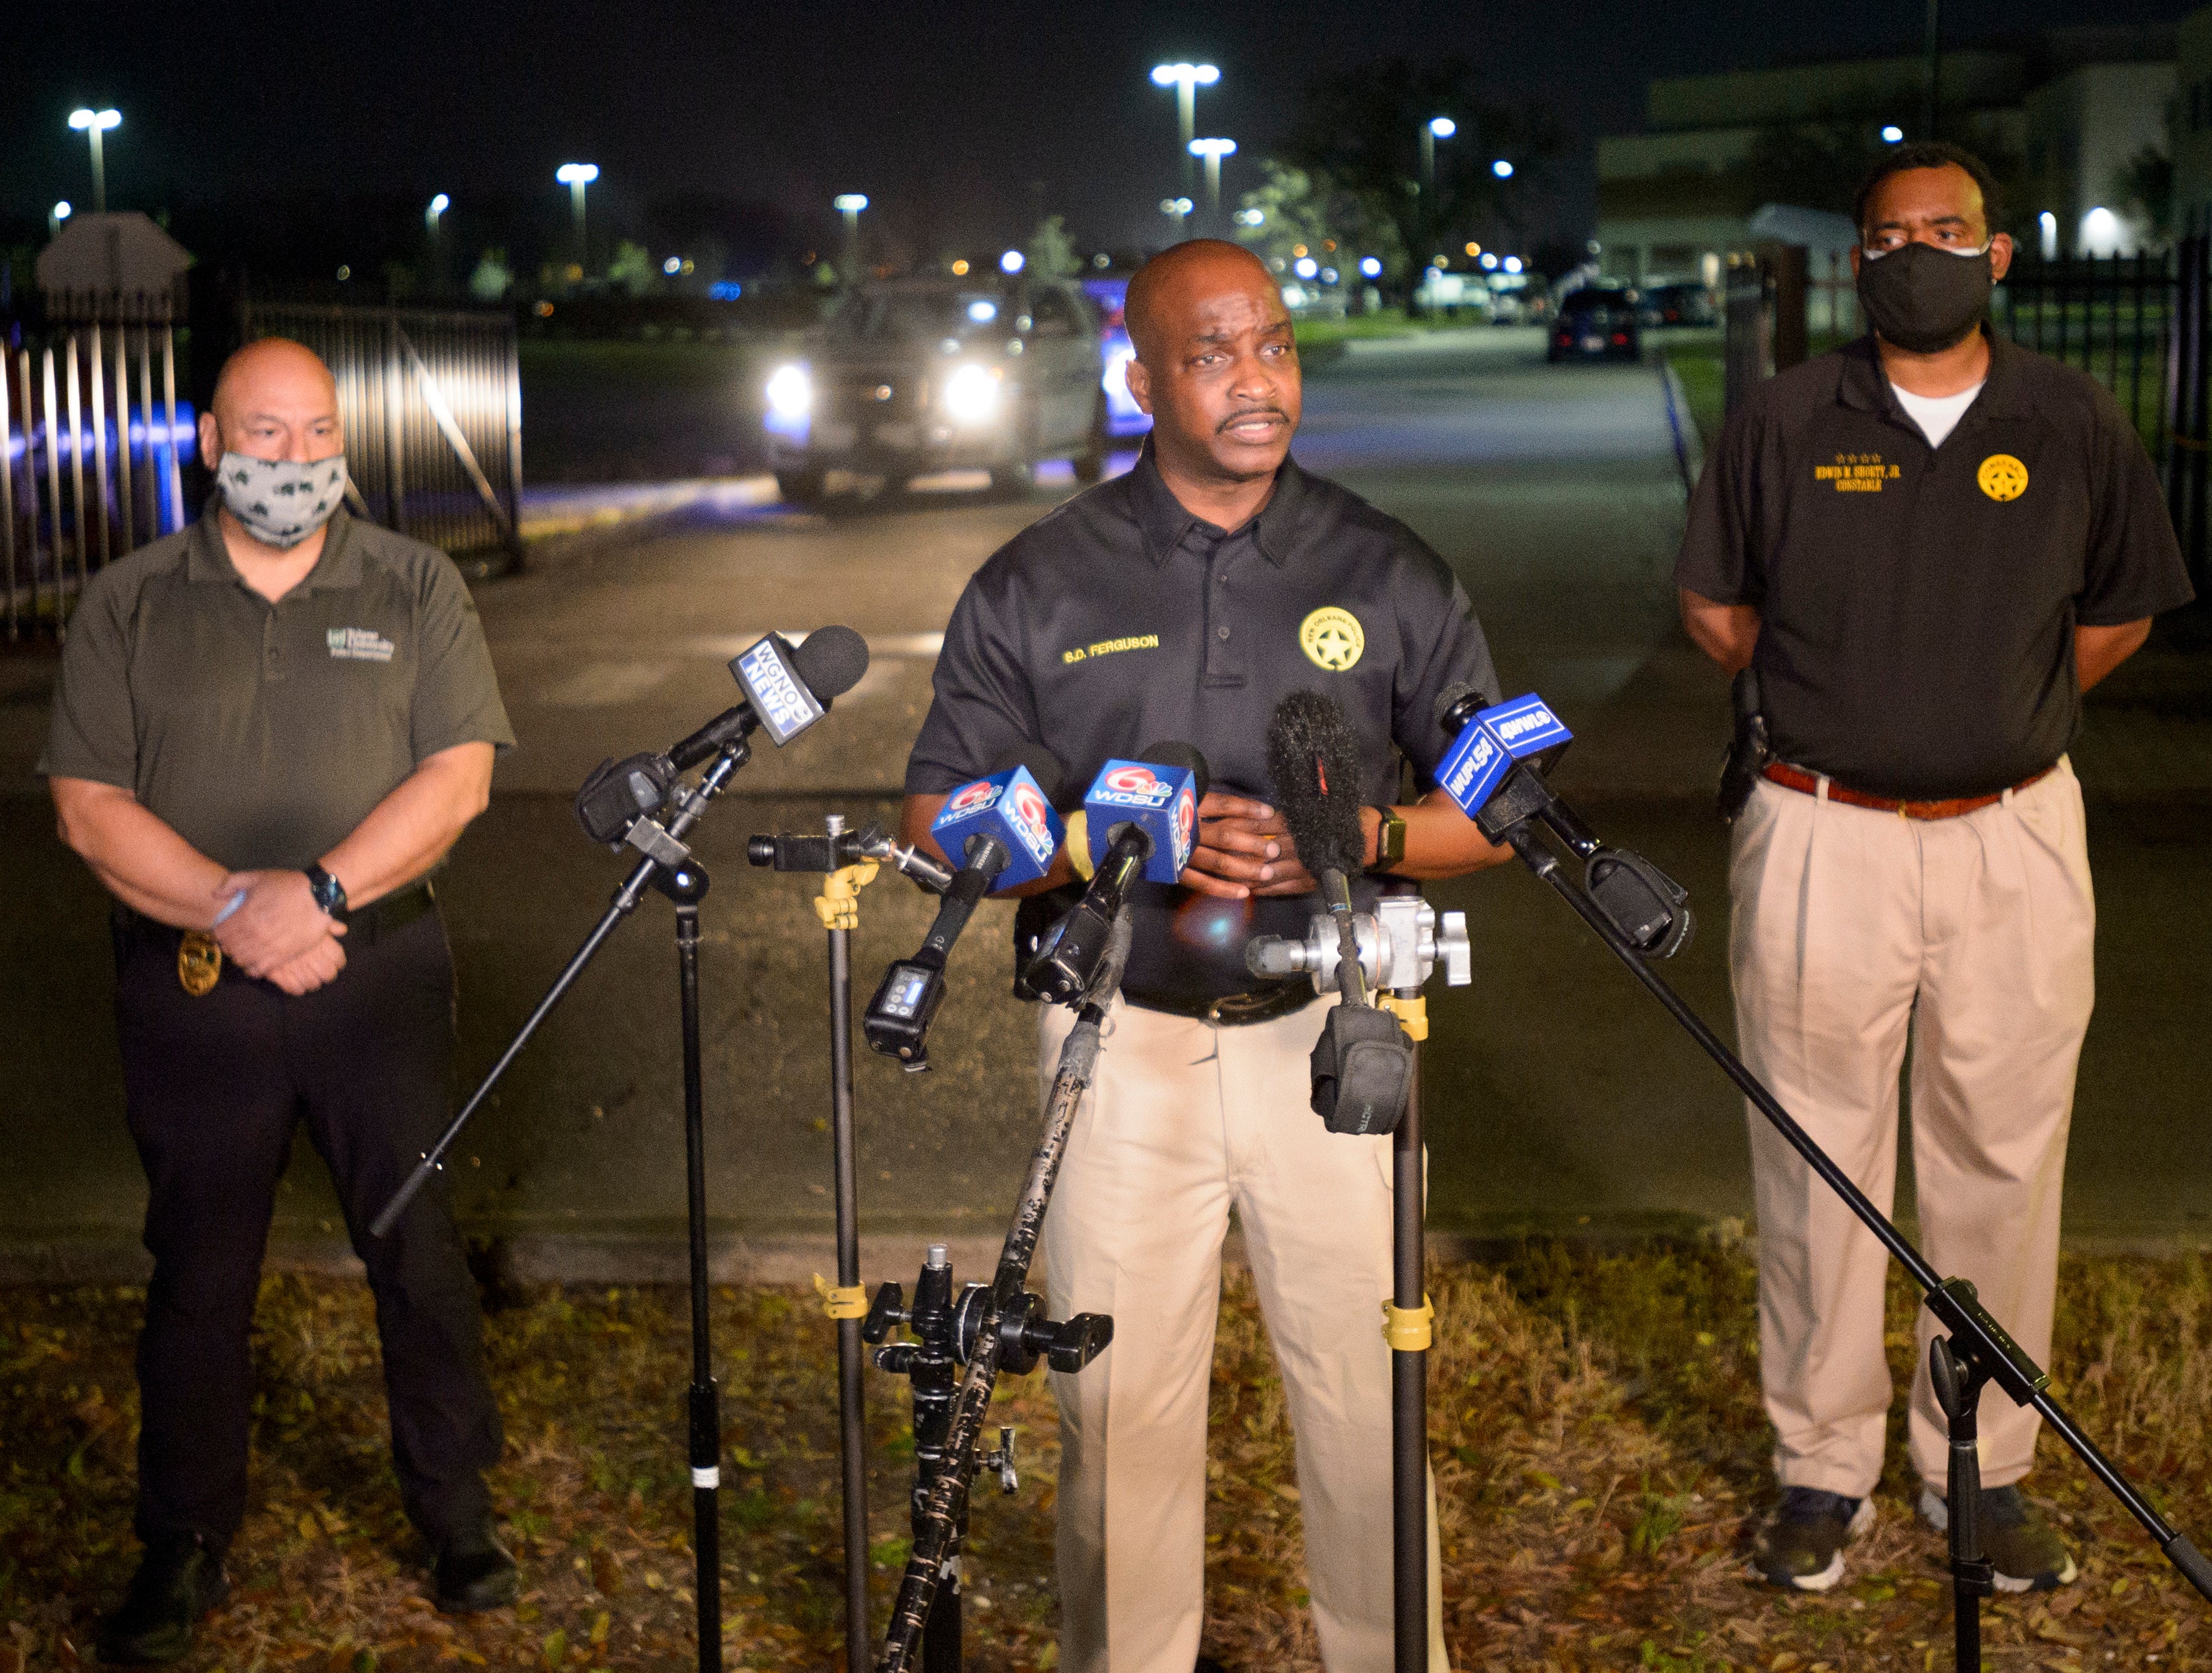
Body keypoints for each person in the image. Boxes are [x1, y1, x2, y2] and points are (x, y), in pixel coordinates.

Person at [900, 239, 1509, 1672]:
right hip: (1119, 1045)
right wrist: (1121, 838)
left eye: (1277, 345)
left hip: (1334, 1035)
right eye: (1215, 351)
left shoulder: (1386, 565)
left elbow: (1497, 798)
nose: (1257, 379)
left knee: (1370, 1403)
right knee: (1116, 1417)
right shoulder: (1039, 581)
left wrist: (1361, 832)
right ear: (1141, 381)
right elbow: (935, 818)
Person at [1675, 142, 2195, 1594]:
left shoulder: (2069, 416)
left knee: (2001, 1165)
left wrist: (1991, 716)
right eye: (1893, 234)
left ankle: (1987, 1469)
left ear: (1999, 253)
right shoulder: (1785, 418)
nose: (1919, 251)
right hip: (1817, 833)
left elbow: (2118, 615)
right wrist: (1861, 709)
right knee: (1814, 1159)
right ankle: (1820, 1468)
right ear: (1859, 263)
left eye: (1946, 230)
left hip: (2014, 834)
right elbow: (1719, 610)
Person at [42, 338, 521, 1663]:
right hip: (195, 987)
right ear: (207, 440)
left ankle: (456, 1512)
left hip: (377, 976)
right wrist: (228, 910)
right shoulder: (129, 601)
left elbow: (459, 779)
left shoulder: (417, 585)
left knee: (418, 1253)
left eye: (316, 434)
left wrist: (314, 896)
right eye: (264, 432)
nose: (293, 460)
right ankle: (182, 1537)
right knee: (200, 1270)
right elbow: (88, 809)